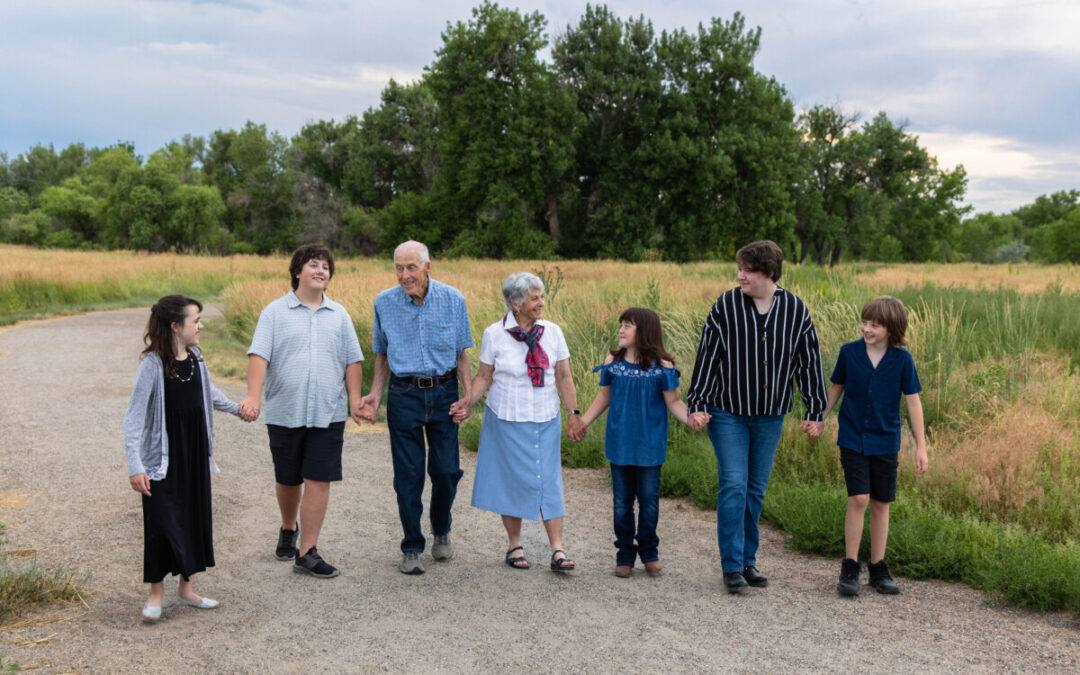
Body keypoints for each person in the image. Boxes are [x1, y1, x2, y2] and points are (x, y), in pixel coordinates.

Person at [686, 240, 828, 594]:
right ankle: (731, 566)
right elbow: (708, 357)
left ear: (768, 272)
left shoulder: (795, 309)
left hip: (770, 415)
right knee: (734, 483)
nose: (740, 276)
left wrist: (815, 410)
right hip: (727, 411)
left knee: (755, 490)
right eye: (739, 269)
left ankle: (748, 560)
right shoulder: (726, 305)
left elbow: (808, 362)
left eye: (747, 270)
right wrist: (698, 403)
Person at [239, 244, 365, 579]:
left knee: (319, 478)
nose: (321, 271)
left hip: (328, 410)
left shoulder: (339, 315)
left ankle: (307, 552)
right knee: (288, 478)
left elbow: (353, 360)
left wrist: (355, 399)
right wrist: (254, 397)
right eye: (314, 265)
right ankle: (287, 527)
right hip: (285, 409)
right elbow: (259, 356)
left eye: (326, 267)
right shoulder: (274, 313)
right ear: (297, 272)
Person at [124, 295, 251, 623]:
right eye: (196, 320)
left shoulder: (196, 357)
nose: (201, 325)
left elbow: (208, 392)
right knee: (162, 522)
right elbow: (133, 417)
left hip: (194, 451)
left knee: (194, 517)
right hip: (163, 458)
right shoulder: (152, 364)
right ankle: (155, 595)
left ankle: (187, 590)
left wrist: (237, 409)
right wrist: (135, 465)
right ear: (175, 326)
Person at [359, 241, 473, 575]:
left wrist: (466, 397)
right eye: (398, 268)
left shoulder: (453, 299)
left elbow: (462, 355)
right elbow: (382, 355)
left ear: (427, 267)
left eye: (411, 267)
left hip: (444, 392)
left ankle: (441, 527)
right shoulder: (384, 302)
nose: (404, 275)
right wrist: (375, 396)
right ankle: (411, 545)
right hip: (404, 394)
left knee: (446, 471)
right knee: (408, 475)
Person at [460, 272, 583, 572]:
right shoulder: (494, 334)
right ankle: (514, 544)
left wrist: (574, 414)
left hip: (546, 416)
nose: (541, 302)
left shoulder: (553, 332)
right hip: (506, 417)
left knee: (549, 481)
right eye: (534, 298)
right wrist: (467, 402)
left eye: (542, 296)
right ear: (515, 303)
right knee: (511, 481)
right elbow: (484, 377)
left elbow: (564, 376)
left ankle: (557, 549)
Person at [572, 307, 698, 578]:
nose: (621, 330)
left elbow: (673, 401)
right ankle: (625, 553)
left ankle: (649, 551)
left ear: (645, 331)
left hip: (650, 447)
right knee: (621, 503)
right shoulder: (613, 362)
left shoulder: (662, 367)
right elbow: (604, 397)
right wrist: (583, 423)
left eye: (628, 325)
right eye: (622, 325)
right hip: (620, 445)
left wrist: (691, 419)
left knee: (649, 501)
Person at [823, 295, 928, 596]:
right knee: (859, 499)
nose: (867, 329)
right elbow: (836, 388)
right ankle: (850, 566)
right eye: (864, 322)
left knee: (882, 503)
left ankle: (878, 568)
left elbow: (913, 402)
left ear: (892, 329)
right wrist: (819, 419)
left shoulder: (902, 360)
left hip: (885, 440)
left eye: (875, 325)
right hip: (853, 437)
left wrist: (921, 446)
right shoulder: (849, 352)